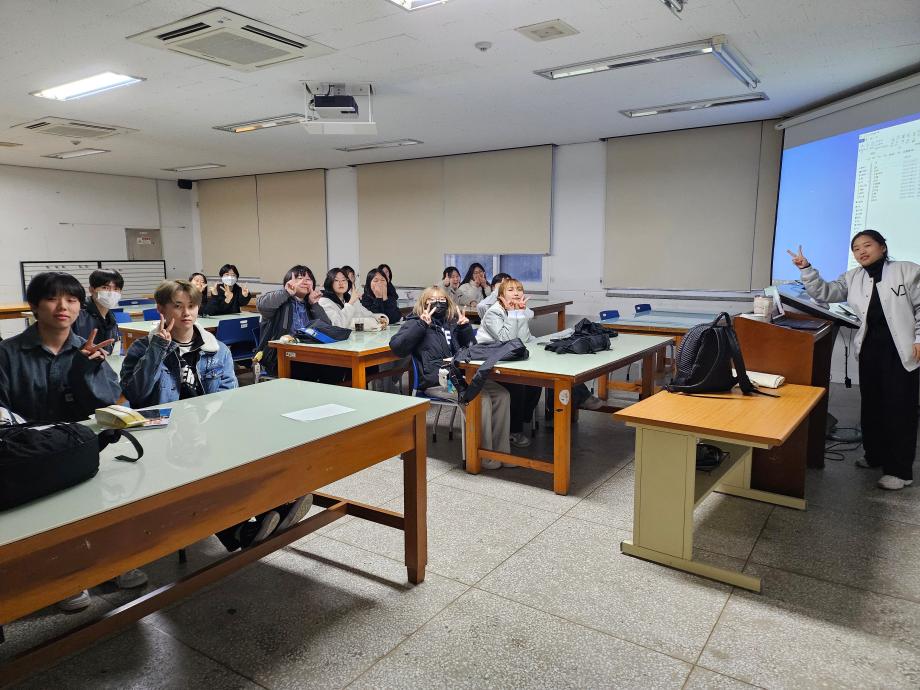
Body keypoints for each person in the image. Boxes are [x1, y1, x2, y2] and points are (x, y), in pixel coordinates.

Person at [120, 279, 311, 550]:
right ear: (161, 310)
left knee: (249, 447)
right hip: (164, 435)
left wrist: (214, 425)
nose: (186, 313)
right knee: (202, 466)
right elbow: (136, 394)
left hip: (205, 426)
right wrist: (158, 349)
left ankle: (274, 507)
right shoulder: (143, 348)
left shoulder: (216, 349)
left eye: (191, 306)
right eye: (177, 306)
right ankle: (240, 530)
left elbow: (228, 396)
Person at [0, 271, 145, 611]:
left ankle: (110, 562)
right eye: (52, 298)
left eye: (71, 300)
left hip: (82, 449)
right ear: (35, 306)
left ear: (80, 306)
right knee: (43, 514)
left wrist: (84, 371)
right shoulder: (9, 353)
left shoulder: (88, 349)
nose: (62, 307)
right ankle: (61, 577)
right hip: (31, 453)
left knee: (100, 503)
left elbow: (106, 403)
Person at [789, 231, 920, 491]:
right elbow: (825, 292)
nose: (862, 251)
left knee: (899, 409)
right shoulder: (853, 277)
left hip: (901, 351)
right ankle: (875, 455)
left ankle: (900, 471)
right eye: (856, 248)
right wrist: (806, 269)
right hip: (871, 350)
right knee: (872, 406)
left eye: (867, 245)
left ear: (883, 247)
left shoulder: (907, 270)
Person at [390, 285, 510, 467]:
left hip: (461, 377)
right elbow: (397, 347)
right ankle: (483, 456)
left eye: (442, 299)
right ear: (423, 303)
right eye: (432, 300)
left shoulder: (451, 323)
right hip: (436, 381)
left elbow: (472, 350)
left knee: (502, 395)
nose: (438, 303)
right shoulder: (415, 321)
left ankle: (501, 453)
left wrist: (465, 329)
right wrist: (421, 325)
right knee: (481, 399)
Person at [475, 278, 543, 448]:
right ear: (501, 295)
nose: (516, 293)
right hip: (491, 362)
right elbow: (507, 341)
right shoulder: (493, 313)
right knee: (518, 385)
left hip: (510, 359)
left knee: (536, 382)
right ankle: (514, 431)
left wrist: (519, 313)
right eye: (511, 290)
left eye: (519, 289)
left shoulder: (517, 309)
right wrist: (514, 314)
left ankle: (521, 421)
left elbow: (524, 339)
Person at [255, 265, 345, 383]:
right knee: (310, 370)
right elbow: (261, 305)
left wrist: (314, 305)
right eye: (299, 278)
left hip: (310, 354)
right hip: (279, 356)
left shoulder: (311, 304)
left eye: (308, 279)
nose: (304, 282)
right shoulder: (280, 302)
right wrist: (286, 292)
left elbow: (327, 327)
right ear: (289, 281)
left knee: (338, 367)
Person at [73, 268, 124, 354]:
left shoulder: (110, 317)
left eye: (116, 289)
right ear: (91, 290)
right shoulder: (78, 315)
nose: (111, 293)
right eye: (105, 288)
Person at [318, 268, 388, 329]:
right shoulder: (324, 301)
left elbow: (366, 314)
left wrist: (380, 318)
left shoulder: (348, 297)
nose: (341, 283)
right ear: (330, 283)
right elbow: (337, 325)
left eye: (344, 280)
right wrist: (350, 303)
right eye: (336, 280)